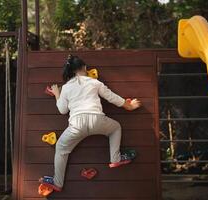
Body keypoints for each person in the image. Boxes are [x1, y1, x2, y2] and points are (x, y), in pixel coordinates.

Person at [39, 54, 141, 192]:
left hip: (76, 125)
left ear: (70, 71)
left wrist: (57, 94)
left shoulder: (66, 87)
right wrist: (129, 106)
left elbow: (63, 110)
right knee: (116, 127)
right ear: (84, 68)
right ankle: (115, 158)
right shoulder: (94, 82)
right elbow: (112, 97)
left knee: (61, 149)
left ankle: (57, 183)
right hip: (97, 120)